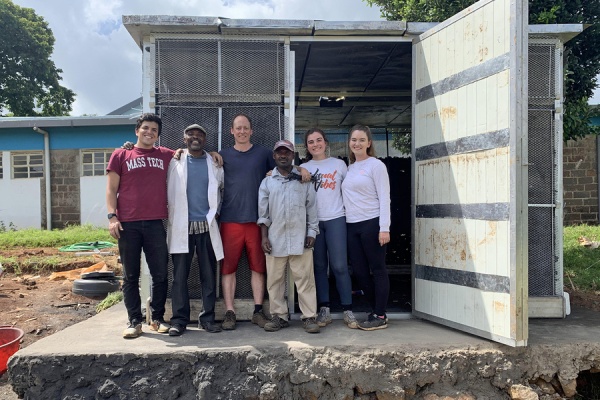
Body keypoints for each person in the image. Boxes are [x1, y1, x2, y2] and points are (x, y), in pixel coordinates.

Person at [106, 113, 173, 339]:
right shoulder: (121, 154)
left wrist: (212, 154)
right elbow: (111, 189)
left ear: (158, 135)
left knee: (160, 274)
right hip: (128, 224)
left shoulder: (165, 155)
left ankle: (157, 319)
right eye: (145, 128)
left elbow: (189, 155)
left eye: (154, 130)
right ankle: (134, 321)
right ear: (137, 131)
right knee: (130, 275)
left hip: (155, 222)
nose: (149, 132)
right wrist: (112, 217)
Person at [217, 113, 275, 330]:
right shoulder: (221, 156)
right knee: (228, 268)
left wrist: (302, 169)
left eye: (245, 128)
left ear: (251, 131)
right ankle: (229, 312)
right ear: (231, 131)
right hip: (230, 219)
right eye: (238, 128)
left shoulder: (264, 154)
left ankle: (258, 311)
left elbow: (283, 169)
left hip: (257, 221)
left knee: (259, 268)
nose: (242, 131)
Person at [166, 124, 224, 336]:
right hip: (182, 226)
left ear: (205, 140)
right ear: (184, 139)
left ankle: (207, 318)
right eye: (191, 134)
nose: (195, 137)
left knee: (208, 275)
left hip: (207, 226)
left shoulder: (215, 163)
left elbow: (222, 190)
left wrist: (217, 212)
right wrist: (127, 147)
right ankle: (179, 320)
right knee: (180, 276)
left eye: (200, 134)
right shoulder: (174, 161)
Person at [258, 139, 320, 333]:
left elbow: (312, 208)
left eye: (287, 152)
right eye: (279, 152)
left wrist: (312, 232)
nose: (283, 155)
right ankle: (279, 317)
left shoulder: (304, 180)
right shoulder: (267, 182)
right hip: (275, 239)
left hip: (300, 237)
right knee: (275, 281)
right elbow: (263, 214)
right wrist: (264, 237)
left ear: (293, 156)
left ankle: (309, 317)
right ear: (274, 156)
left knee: (305, 279)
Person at [299, 128, 357, 329]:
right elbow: (284, 174)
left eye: (319, 140)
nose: (315, 144)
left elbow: (351, 190)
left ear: (325, 142)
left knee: (340, 266)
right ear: (306, 146)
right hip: (314, 222)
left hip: (336, 218)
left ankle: (348, 309)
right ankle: (324, 309)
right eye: (311, 142)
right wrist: (297, 169)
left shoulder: (339, 164)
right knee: (319, 267)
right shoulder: (303, 167)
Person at [341, 124, 391, 331]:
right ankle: (375, 310)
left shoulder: (376, 165)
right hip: (352, 226)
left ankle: (379, 314)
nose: (357, 143)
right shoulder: (349, 168)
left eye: (362, 140)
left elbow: (384, 197)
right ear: (349, 143)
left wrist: (384, 227)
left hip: (372, 222)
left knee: (377, 269)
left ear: (369, 143)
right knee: (360, 273)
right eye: (354, 140)